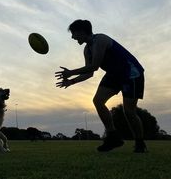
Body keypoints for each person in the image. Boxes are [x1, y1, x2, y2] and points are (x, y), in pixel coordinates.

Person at [55, 19, 147, 153]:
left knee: (129, 111)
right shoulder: (87, 50)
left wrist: (70, 72)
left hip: (131, 73)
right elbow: (89, 73)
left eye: (74, 33)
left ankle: (140, 143)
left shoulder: (100, 40)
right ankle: (113, 137)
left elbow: (95, 66)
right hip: (113, 75)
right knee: (97, 101)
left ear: (81, 31)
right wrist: (72, 81)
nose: (73, 37)